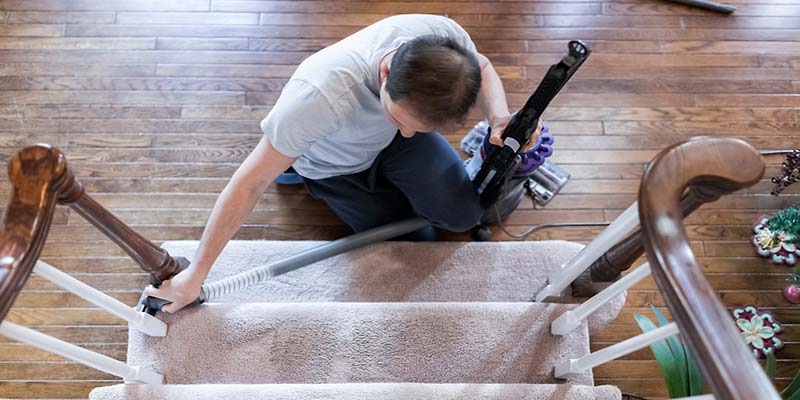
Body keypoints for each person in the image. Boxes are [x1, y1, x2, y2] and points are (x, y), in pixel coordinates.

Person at [144, 14, 541, 313]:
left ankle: (405, 153)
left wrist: (499, 118)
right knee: (415, 249)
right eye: (399, 117)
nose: (406, 130)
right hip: (336, 167)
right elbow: (248, 184)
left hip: (390, 148)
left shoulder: (446, 43)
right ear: (386, 71)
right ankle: (297, 170)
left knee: (463, 216)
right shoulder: (319, 97)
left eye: (415, 125)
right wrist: (195, 275)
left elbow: (483, 66)